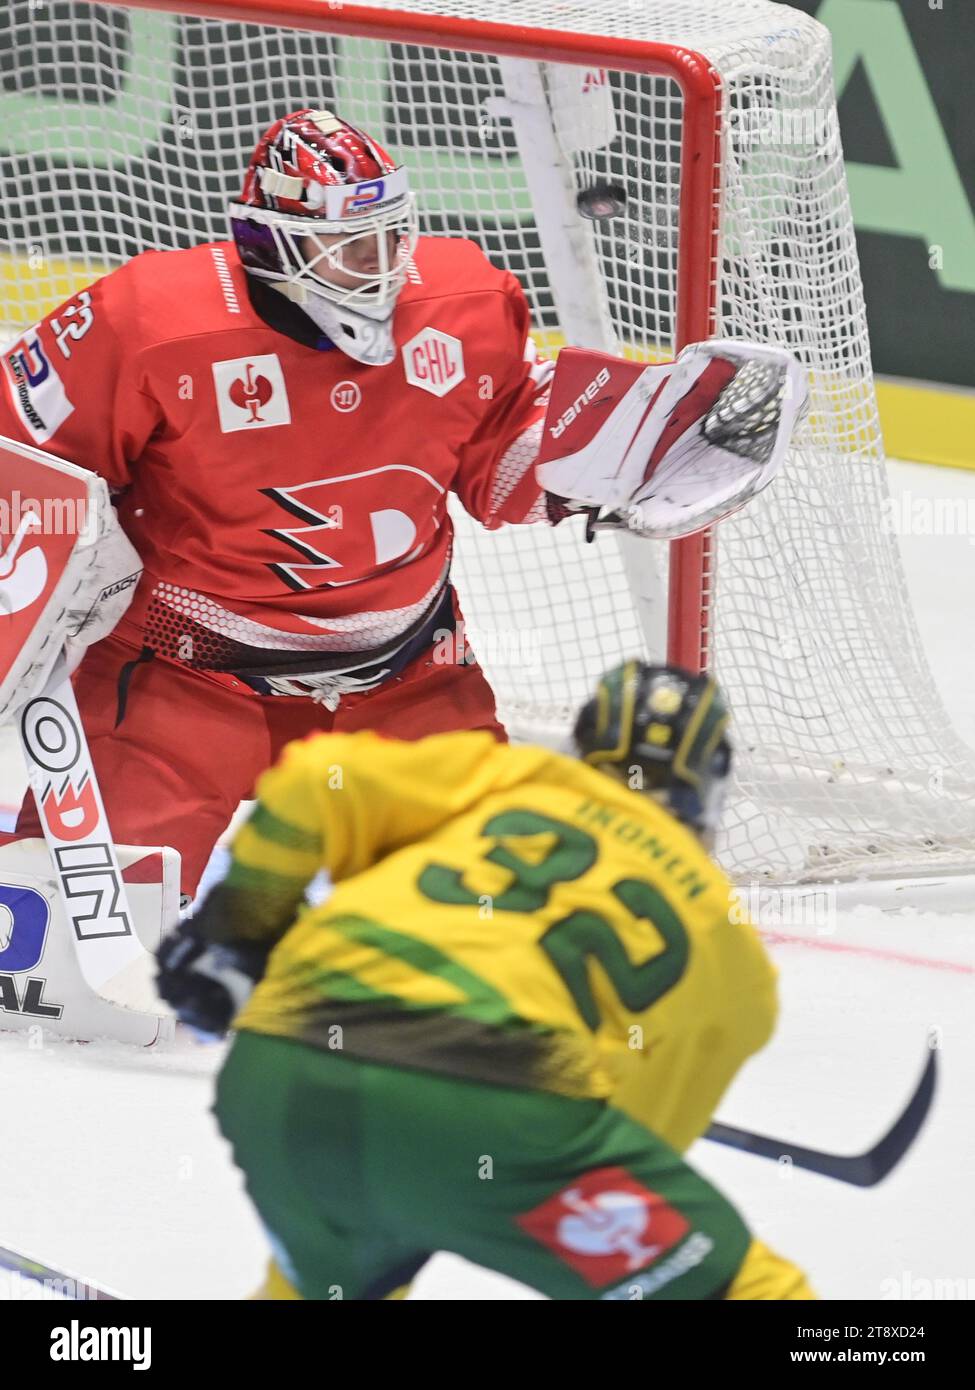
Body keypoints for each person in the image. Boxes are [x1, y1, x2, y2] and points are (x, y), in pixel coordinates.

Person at [0, 108, 555, 896]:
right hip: (177, 686)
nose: (382, 266)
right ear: (267, 241)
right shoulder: (148, 321)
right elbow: (19, 465)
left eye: (392, 237)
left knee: (503, 931)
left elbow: (505, 469)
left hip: (409, 682)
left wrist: (603, 470)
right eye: (349, 246)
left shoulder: (469, 298)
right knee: (69, 933)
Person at [157, 659, 815, 1301]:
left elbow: (315, 781)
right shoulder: (732, 956)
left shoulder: (504, 776)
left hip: (278, 1064)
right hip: (498, 1102)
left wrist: (238, 931)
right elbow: (640, 1138)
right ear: (712, 788)